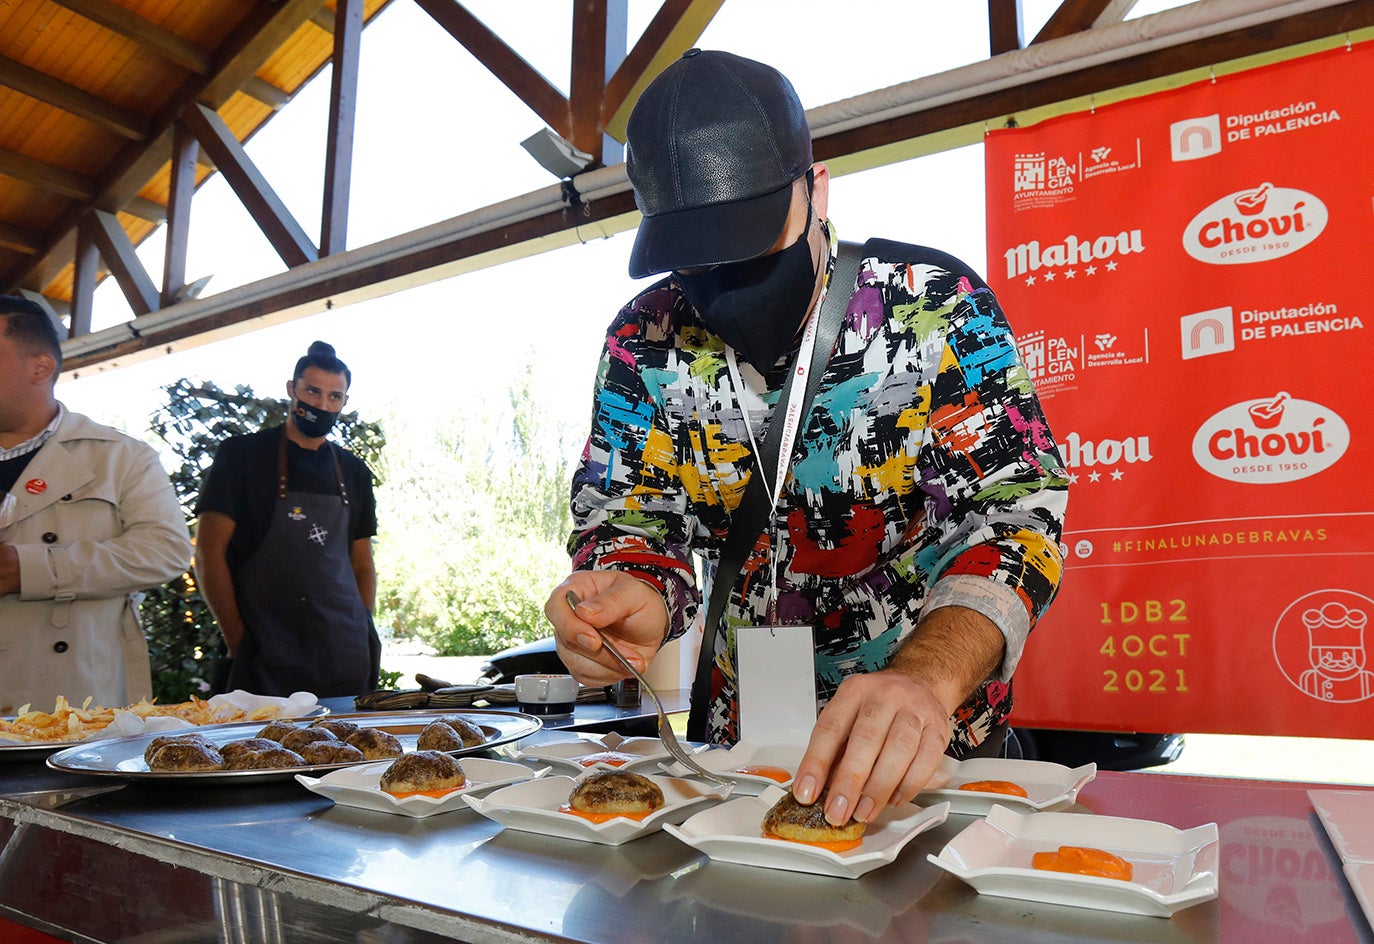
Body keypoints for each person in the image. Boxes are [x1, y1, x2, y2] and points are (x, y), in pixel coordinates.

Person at [544, 50, 1067, 828]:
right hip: (734, 761)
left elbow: (1016, 518)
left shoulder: (935, 310)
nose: (721, 278)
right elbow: (633, 523)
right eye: (693, 256)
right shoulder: (643, 341)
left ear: (816, 189)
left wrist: (927, 675)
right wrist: (634, 594)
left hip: (925, 758)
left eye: (749, 242)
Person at [0, 295, 191, 714]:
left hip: (68, 709)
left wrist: (30, 568)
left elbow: (166, 550)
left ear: (40, 368)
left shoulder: (120, 457)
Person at [194, 341, 381, 698]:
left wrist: (363, 627)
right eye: (312, 391)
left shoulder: (354, 471)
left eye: (334, 397)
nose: (322, 405)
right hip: (265, 656)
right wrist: (238, 641)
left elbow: (362, 564)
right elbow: (207, 555)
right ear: (292, 389)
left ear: (344, 402)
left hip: (345, 656)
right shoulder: (242, 456)